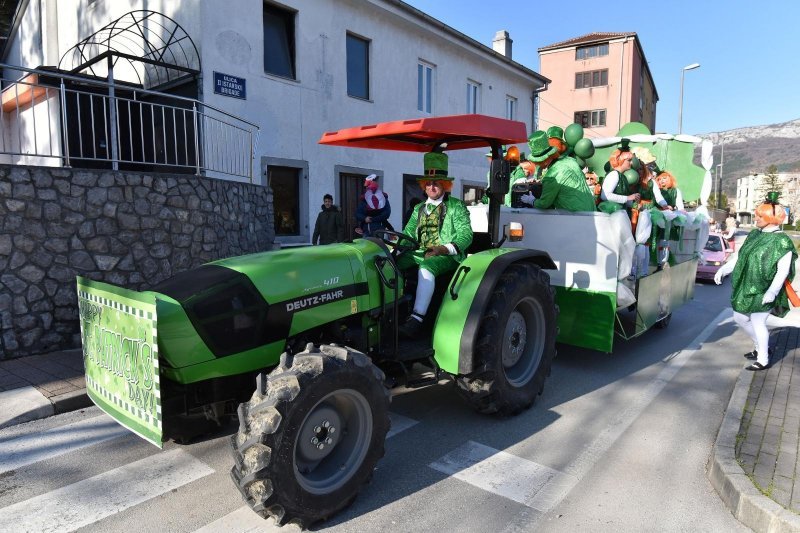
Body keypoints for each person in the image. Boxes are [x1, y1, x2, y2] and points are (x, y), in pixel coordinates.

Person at [714, 195, 797, 371]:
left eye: (760, 216)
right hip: (746, 286)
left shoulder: (782, 241)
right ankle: (761, 347)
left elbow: (783, 270)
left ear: (771, 218)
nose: (756, 218)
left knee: (759, 322)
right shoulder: (754, 234)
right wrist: (723, 269)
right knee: (740, 317)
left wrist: (773, 292)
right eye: (757, 215)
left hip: (765, 288)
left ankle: (763, 359)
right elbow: (740, 257)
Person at [398, 150, 473, 337]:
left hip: (446, 255)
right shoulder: (419, 208)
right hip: (421, 251)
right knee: (390, 264)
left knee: (426, 266)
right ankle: (394, 310)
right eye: (428, 183)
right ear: (424, 186)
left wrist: (442, 249)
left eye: (436, 183)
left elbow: (466, 235)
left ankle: (417, 319)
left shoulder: (456, 206)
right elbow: (407, 234)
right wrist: (394, 247)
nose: (432, 187)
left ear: (445, 185)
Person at [518, 130, 595, 212]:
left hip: (575, 216)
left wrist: (531, 200)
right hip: (591, 211)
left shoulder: (551, 176)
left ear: (544, 160)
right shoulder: (571, 161)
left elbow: (544, 203)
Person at [598, 147, 641, 213]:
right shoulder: (614, 174)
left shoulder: (622, 176)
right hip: (611, 214)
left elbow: (621, 199)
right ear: (620, 160)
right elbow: (605, 196)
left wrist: (634, 204)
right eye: (629, 160)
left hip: (619, 214)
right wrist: (628, 198)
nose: (631, 163)